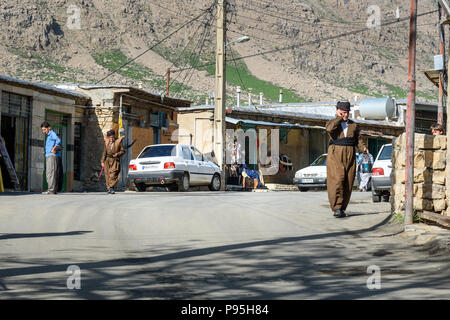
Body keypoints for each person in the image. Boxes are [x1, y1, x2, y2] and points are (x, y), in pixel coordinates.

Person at [326, 101, 367, 218]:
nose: (345, 115)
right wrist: (338, 118)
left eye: (347, 113)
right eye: (343, 113)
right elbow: (329, 129)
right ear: (338, 111)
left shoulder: (353, 125)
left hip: (350, 153)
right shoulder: (332, 123)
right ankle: (336, 207)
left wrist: (363, 148)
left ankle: (342, 208)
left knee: (348, 181)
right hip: (336, 154)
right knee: (337, 179)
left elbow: (358, 140)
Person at [41, 122, 62, 195]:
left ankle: (51, 190)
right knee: (50, 173)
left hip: (51, 156)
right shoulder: (49, 135)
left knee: (50, 174)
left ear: (49, 128)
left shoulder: (52, 133)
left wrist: (53, 149)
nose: (44, 131)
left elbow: (58, 140)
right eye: (43, 130)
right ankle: (52, 189)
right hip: (49, 156)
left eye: (44, 129)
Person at [101, 129, 125, 194]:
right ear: (108, 137)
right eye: (110, 137)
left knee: (113, 174)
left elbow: (123, 151)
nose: (111, 138)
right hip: (107, 160)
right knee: (107, 175)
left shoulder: (118, 142)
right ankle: (109, 188)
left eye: (112, 137)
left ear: (114, 136)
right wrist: (102, 161)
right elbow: (104, 152)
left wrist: (118, 154)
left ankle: (111, 187)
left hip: (115, 160)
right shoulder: (106, 142)